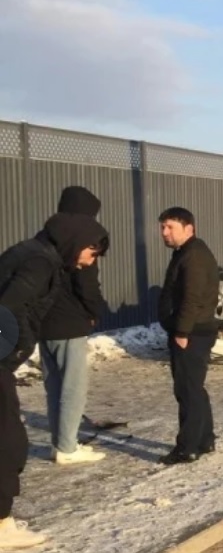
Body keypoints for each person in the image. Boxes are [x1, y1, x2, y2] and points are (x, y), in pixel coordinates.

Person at [0, 212, 109, 549]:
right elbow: (7, 305)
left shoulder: (34, 252)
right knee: (10, 444)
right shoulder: (40, 264)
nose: (91, 261)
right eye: (92, 253)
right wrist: (11, 348)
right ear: (78, 244)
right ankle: (2, 528)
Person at [39, 186, 110, 465]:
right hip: (70, 324)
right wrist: (95, 312)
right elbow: (88, 287)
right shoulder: (81, 243)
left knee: (54, 386)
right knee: (73, 387)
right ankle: (68, 447)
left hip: (46, 323)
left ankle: (60, 443)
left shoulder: (47, 238)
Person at [157, 207, 220, 465]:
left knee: (187, 390)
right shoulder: (187, 252)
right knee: (194, 388)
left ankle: (188, 447)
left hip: (192, 332)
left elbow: (191, 297)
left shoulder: (193, 256)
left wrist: (182, 331)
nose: (164, 232)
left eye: (170, 227)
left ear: (189, 228)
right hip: (194, 330)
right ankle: (204, 439)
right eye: (162, 227)